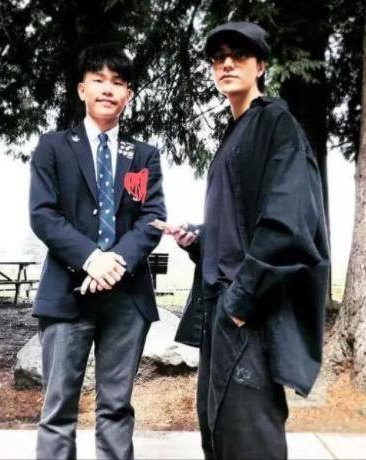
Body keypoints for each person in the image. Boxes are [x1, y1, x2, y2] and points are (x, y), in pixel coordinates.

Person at [166, 21, 330, 460]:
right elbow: (236, 227)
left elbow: (288, 221)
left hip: (248, 313)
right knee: (217, 433)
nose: (226, 63)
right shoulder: (236, 132)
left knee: (248, 440)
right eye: (218, 57)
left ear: (261, 66)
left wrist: (241, 302)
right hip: (221, 310)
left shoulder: (275, 124)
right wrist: (197, 239)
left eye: (239, 55)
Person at [29, 43, 166, 460]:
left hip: (127, 298)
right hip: (66, 294)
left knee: (117, 408)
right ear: (82, 89)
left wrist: (114, 262)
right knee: (57, 410)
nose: (108, 89)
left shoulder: (143, 155)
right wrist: (93, 258)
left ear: (128, 95)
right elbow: (43, 214)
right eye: (98, 80)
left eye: (118, 82)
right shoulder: (53, 147)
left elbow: (152, 217)